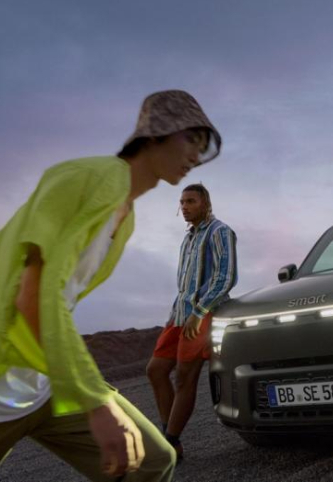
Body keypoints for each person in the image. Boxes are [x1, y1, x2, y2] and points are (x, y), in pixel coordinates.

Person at [0, 90, 222, 482]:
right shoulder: (87, 177)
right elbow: (33, 298)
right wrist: (95, 401)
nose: (196, 155)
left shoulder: (125, 216)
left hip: (38, 382)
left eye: (203, 147)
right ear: (156, 135)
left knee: (149, 463)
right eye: (191, 140)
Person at [146, 184, 237, 461]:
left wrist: (199, 312)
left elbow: (226, 277)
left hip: (203, 313)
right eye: (182, 202)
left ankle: (170, 443)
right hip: (181, 314)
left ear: (205, 203)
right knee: (156, 370)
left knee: (185, 378)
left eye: (191, 201)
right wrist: (177, 314)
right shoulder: (188, 238)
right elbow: (184, 284)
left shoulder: (220, 231)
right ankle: (169, 436)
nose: (184, 207)